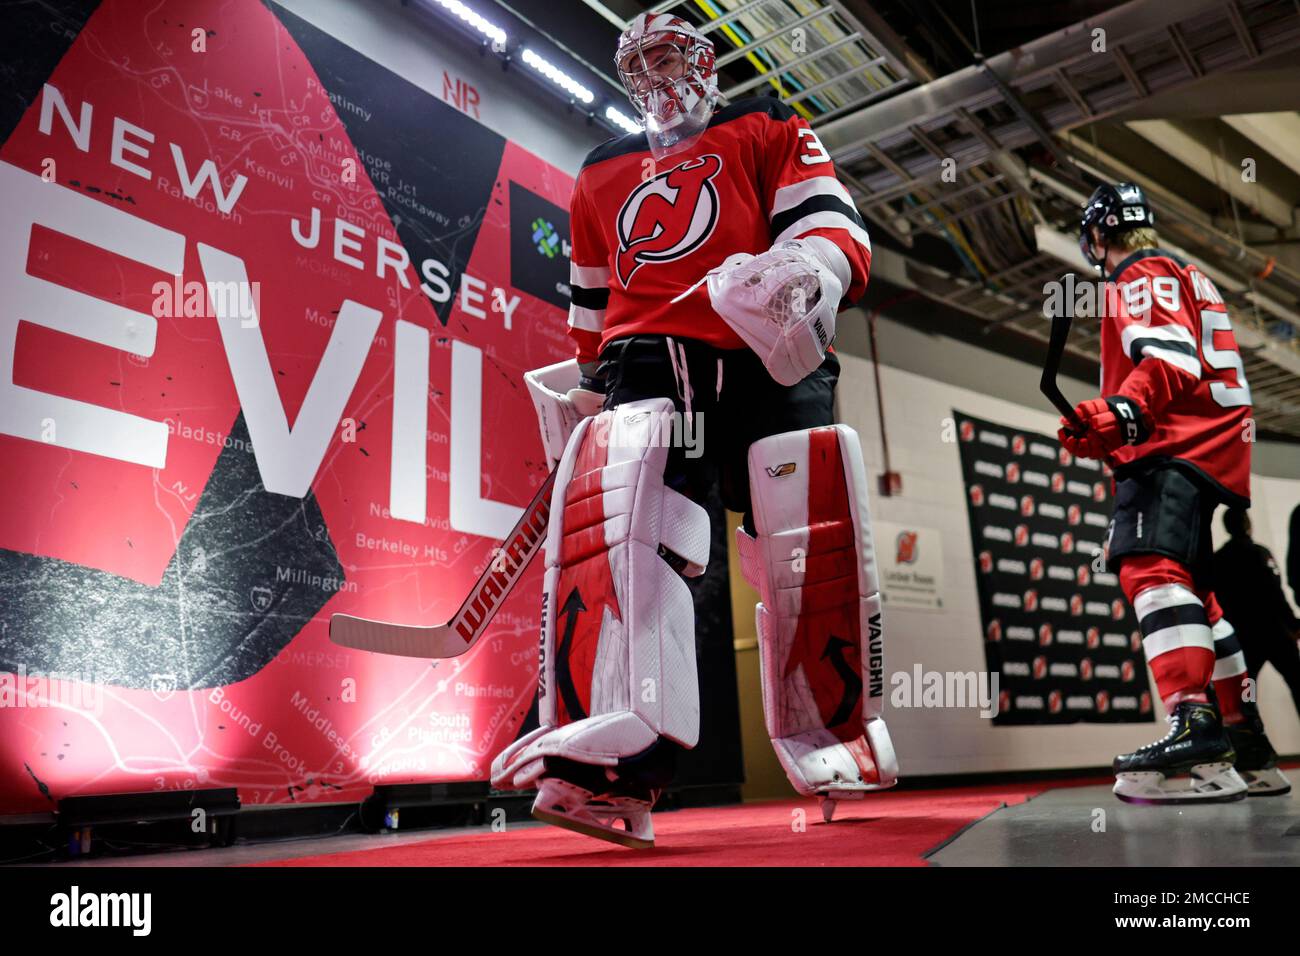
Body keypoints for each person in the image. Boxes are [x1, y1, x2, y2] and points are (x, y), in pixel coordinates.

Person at [489, 12, 896, 846]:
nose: (650, 75)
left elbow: (835, 226)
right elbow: (591, 301)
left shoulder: (767, 124)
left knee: (800, 537)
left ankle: (834, 730)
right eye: (633, 63)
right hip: (647, 364)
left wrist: (803, 269)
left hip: (761, 348)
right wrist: (591, 381)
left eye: (666, 54)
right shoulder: (601, 167)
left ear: (705, 59)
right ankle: (618, 772)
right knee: (632, 545)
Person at [1059, 182, 1289, 802]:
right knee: (1200, 600)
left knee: (1147, 564)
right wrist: (1112, 423)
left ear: (1099, 235)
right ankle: (1247, 742)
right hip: (1208, 442)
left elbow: (1169, 356)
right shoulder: (1185, 272)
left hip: (1175, 444)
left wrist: (1125, 414)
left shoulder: (1141, 271)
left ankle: (1196, 728)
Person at [1211, 508, 1300, 720]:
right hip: (1276, 634)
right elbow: (1275, 593)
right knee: (1297, 681)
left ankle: (1251, 732)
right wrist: (1293, 624)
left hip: (1244, 640)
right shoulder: (1260, 553)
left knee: (1248, 687)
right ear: (1247, 523)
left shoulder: (1219, 560)